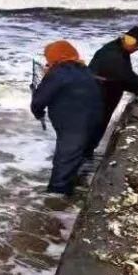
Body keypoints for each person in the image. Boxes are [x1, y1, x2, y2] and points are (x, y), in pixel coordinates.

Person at [30, 41, 105, 196]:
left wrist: (38, 113)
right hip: (94, 119)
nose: (47, 61)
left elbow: (38, 101)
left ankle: (55, 203)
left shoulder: (58, 73)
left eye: (48, 57)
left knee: (64, 161)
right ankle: (75, 187)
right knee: (76, 156)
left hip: (75, 124)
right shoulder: (84, 70)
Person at [89, 25, 138, 139]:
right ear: (134, 43)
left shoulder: (116, 48)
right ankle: (83, 155)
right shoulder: (115, 56)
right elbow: (125, 76)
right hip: (98, 97)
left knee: (95, 129)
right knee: (93, 130)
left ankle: (84, 154)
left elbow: (124, 74)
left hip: (101, 94)